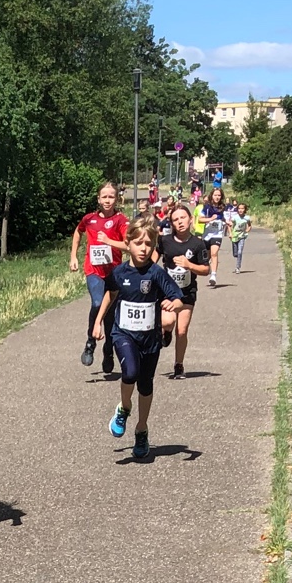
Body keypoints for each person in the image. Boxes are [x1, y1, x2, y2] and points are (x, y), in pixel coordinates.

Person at [92, 218, 188, 462]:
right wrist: (97, 321)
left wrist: (173, 304)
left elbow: (178, 297)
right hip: (123, 334)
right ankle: (124, 408)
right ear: (128, 244)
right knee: (130, 372)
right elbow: (110, 295)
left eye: (148, 243)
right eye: (138, 243)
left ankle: (141, 429)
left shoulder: (156, 273)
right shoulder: (119, 272)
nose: (143, 248)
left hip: (150, 339)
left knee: (145, 386)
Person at [69, 181, 129, 373]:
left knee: (111, 316)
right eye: (104, 196)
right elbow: (78, 233)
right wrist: (73, 257)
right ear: (98, 199)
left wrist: (109, 241)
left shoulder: (121, 220)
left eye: (111, 196)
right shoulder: (89, 219)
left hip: (114, 273)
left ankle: (108, 350)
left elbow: (128, 245)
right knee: (97, 303)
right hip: (94, 270)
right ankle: (90, 341)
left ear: (116, 198)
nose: (107, 200)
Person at [156, 203, 212, 378]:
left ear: (190, 220)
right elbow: (153, 259)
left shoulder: (198, 244)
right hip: (168, 292)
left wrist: (189, 265)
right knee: (166, 322)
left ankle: (178, 364)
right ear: (171, 224)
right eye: (175, 220)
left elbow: (206, 270)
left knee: (182, 330)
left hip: (187, 292)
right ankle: (166, 332)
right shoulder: (165, 241)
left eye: (182, 218)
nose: (179, 222)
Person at [202, 187, 228, 286]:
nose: (217, 197)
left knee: (214, 253)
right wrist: (210, 219)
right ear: (211, 196)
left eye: (219, 195)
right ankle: (207, 267)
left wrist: (227, 222)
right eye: (215, 195)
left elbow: (224, 218)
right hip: (207, 235)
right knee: (206, 257)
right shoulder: (207, 207)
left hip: (217, 234)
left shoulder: (223, 207)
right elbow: (200, 219)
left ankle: (213, 275)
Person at [230, 200, 253, 273]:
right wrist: (230, 233)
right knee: (235, 253)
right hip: (235, 236)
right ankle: (237, 257)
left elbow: (249, 226)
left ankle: (238, 267)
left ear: (245, 209)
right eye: (239, 208)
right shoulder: (235, 217)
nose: (240, 210)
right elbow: (230, 225)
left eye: (242, 208)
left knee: (240, 252)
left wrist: (247, 230)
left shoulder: (247, 218)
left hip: (242, 236)